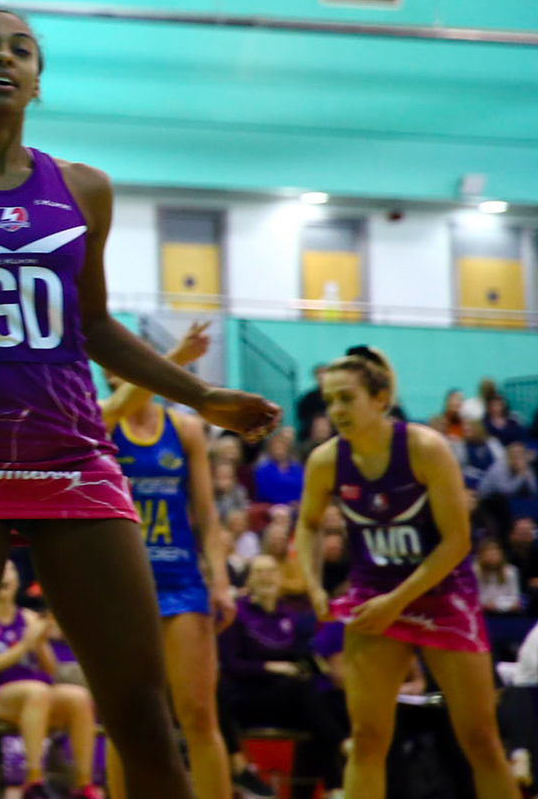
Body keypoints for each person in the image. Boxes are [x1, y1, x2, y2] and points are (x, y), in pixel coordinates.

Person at [0, 7, 278, 799]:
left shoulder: (85, 189)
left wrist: (202, 395)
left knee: (142, 716)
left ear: (37, 79)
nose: (4, 56)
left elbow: (95, 324)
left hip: (76, 460)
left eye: (21, 48)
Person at [295, 345, 518, 799]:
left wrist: (397, 601)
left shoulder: (425, 448)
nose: (335, 409)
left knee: (481, 740)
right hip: (373, 594)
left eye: (346, 398)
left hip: (442, 594)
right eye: (329, 399)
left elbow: (458, 542)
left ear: (379, 399)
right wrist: (314, 585)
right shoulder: (325, 460)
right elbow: (309, 524)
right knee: (369, 739)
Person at [99, 320, 236, 799]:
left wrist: (219, 580)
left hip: (180, 578)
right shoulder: (102, 419)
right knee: (127, 720)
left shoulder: (186, 429)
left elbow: (207, 517)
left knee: (199, 715)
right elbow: (121, 404)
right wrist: (175, 356)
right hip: (121, 585)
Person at [0, 562, 100, 799]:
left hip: (36, 694)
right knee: (37, 691)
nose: (3, 575)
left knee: (79, 697)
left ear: (17, 580)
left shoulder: (28, 617)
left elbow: (51, 670)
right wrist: (24, 646)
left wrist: (39, 643)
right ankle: (34, 780)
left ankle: (83, 784)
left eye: (9, 569)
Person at [219, 554, 345, 793]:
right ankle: (339, 757)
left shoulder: (289, 617)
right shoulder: (236, 614)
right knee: (304, 694)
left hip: (284, 698)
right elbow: (230, 665)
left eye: (271, 571)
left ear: (280, 578)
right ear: (249, 580)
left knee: (323, 699)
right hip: (246, 696)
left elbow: (301, 658)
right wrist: (269, 667)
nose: (266, 576)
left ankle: (321, 789)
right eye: (259, 571)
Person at [251, 427, 304, 505]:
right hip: (272, 507)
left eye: (282, 446)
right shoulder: (263, 470)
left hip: (297, 506)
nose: (279, 449)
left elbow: (302, 487)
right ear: (270, 449)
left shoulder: (297, 468)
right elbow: (265, 492)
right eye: (276, 446)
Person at [477, 537, 525, 615]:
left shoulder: (511, 571)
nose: (492, 556)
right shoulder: (475, 572)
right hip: (482, 612)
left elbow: (514, 599)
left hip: (506, 612)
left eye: (495, 553)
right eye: (489, 553)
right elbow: (474, 597)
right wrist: (486, 604)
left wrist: (496, 605)